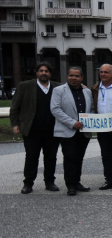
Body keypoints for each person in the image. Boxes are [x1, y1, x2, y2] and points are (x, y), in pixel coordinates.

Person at [11, 62, 60, 194]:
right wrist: (15, 124)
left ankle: (50, 182)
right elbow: (15, 106)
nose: (44, 73)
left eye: (46, 71)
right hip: (32, 130)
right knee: (32, 157)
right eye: (41, 71)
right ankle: (28, 183)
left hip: (52, 130)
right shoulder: (25, 86)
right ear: (37, 73)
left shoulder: (57, 87)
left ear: (50, 74)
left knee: (51, 157)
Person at [50, 67, 93, 196]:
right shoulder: (58, 91)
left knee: (79, 157)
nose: (73, 78)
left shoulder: (87, 92)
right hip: (67, 131)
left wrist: (89, 120)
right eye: (71, 75)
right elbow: (55, 109)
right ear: (67, 76)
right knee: (69, 157)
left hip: (83, 131)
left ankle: (77, 181)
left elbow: (91, 108)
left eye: (76, 76)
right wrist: (72, 123)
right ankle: (70, 185)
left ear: (82, 78)